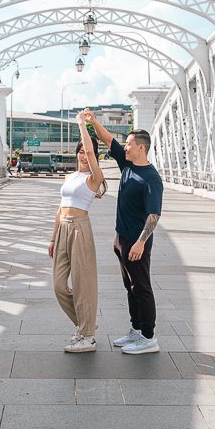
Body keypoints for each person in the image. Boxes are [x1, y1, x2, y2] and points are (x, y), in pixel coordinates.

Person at [79, 109, 163, 355]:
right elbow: (107, 140)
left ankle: (148, 337)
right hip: (123, 238)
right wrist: (93, 121)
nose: (124, 147)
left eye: (129, 144)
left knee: (142, 286)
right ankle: (136, 330)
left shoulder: (151, 178)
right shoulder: (127, 163)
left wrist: (140, 243)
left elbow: (154, 215)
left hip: (137, 242)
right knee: (130, 286)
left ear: (141, 148)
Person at [48, 116, 106, 353]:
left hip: (80, 228)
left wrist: (83, 126)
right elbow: (60, 208)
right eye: (80, 152)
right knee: (59, 286)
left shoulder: (94, 179)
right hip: (63, 228)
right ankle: (86, 324)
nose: (84, 155)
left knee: (83, 284)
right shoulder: (69, 177)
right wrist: (53, 238)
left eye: (87, 152)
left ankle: (87, 336)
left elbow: (93, 155)